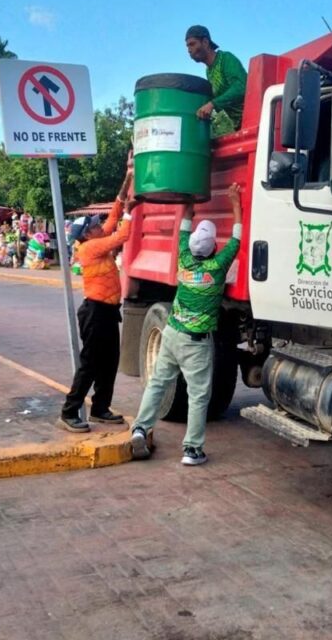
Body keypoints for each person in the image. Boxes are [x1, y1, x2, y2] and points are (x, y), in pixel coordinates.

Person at [130, 182, 243, 465]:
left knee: (157, 383)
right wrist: (235, 202)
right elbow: (238, 239)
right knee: (198, 395)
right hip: (195, 343)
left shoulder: (183, 259)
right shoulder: (216, 268)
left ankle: (141, 429)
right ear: (214, 247)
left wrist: (190, 199)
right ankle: (192, 450)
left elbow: (183, 227)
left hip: (171, 334)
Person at [56, 168, 136, 432]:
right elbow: (122, 234)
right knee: (90, 362)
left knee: (109, 360)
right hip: (95, 312)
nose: (99, 226)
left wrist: (128, 177)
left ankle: (101, 408)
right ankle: (69, 412)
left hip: (107, 311)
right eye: (94, 226)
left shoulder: (95, 239)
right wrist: (130, 213)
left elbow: (114, 215)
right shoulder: (90, 248)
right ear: (87, 234)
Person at [185, 25, 247, 136]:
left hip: (251, 119)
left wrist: (212, 104)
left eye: (192, 44)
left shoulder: (226, 59)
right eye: (187, 46)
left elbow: (241, 86)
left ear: (205, 42)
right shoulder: (209, 72)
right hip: (237, 128)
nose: (189, 50)